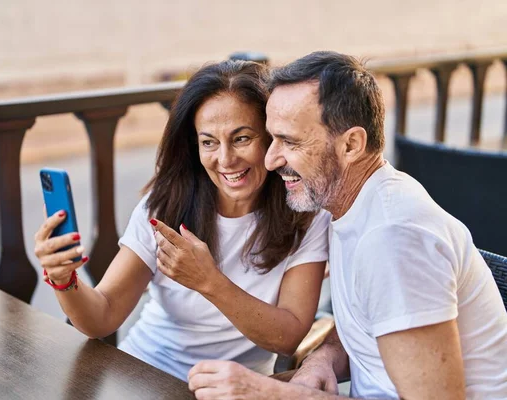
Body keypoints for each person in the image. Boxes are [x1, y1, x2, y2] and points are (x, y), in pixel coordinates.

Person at [187, 51, 507, 399]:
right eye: (271, 138)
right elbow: (369, 322)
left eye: (291, 142)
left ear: (351, 144)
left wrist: (269, 393)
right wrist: (322, 359)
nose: (271, 159)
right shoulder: (350, 204)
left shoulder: (393, 238)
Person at [33, 59, 331, 381]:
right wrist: (64, 279)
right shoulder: (165, 206)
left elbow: (288, 338)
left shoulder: (304, 210)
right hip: (143, 375)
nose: (226, 159)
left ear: (271, 136)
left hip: (230, 387)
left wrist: (209, 282)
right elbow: (102, 316)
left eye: (242, 138)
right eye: (209, 142)